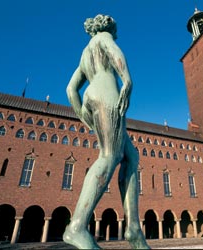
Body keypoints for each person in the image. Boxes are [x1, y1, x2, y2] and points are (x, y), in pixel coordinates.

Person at [63, 14, 149, 249]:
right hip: (106, 92)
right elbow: (114, 52)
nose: (116, 32)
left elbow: (71, 89)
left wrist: (82, 114)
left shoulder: (84, 54)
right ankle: (77, 226)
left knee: (131, 156)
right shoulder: (104, 38)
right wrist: (127, 79)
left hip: (92, 95)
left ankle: (133, 230)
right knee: (109, 156)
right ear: (108, 26)